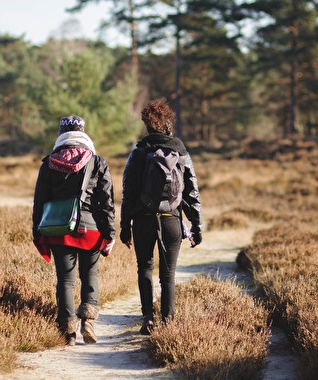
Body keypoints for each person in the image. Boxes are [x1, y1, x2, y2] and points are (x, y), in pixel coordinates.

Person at [119, 100, 202, 334]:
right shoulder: (181, 152)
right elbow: (192, 192)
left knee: (144, 268)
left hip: (143, 219)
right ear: (168, 125)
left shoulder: (138, 154)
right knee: (168, 274)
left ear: (148, 126)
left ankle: (148, 318)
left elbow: (128, 193)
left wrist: (125, 227)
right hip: (171, 219)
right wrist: (197, 226)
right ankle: (168, 322)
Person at [33, 115, 116, 346]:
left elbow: (39, 201)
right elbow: (107, 202)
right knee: (90, 275)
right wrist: (111, 233)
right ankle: (88, 322)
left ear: (61, 134)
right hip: (91, 230)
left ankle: (67, 331)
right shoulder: (97, 162)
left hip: (60, 230)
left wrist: (37, 233)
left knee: (65, 281)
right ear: (83, 132)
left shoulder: (49, 162)